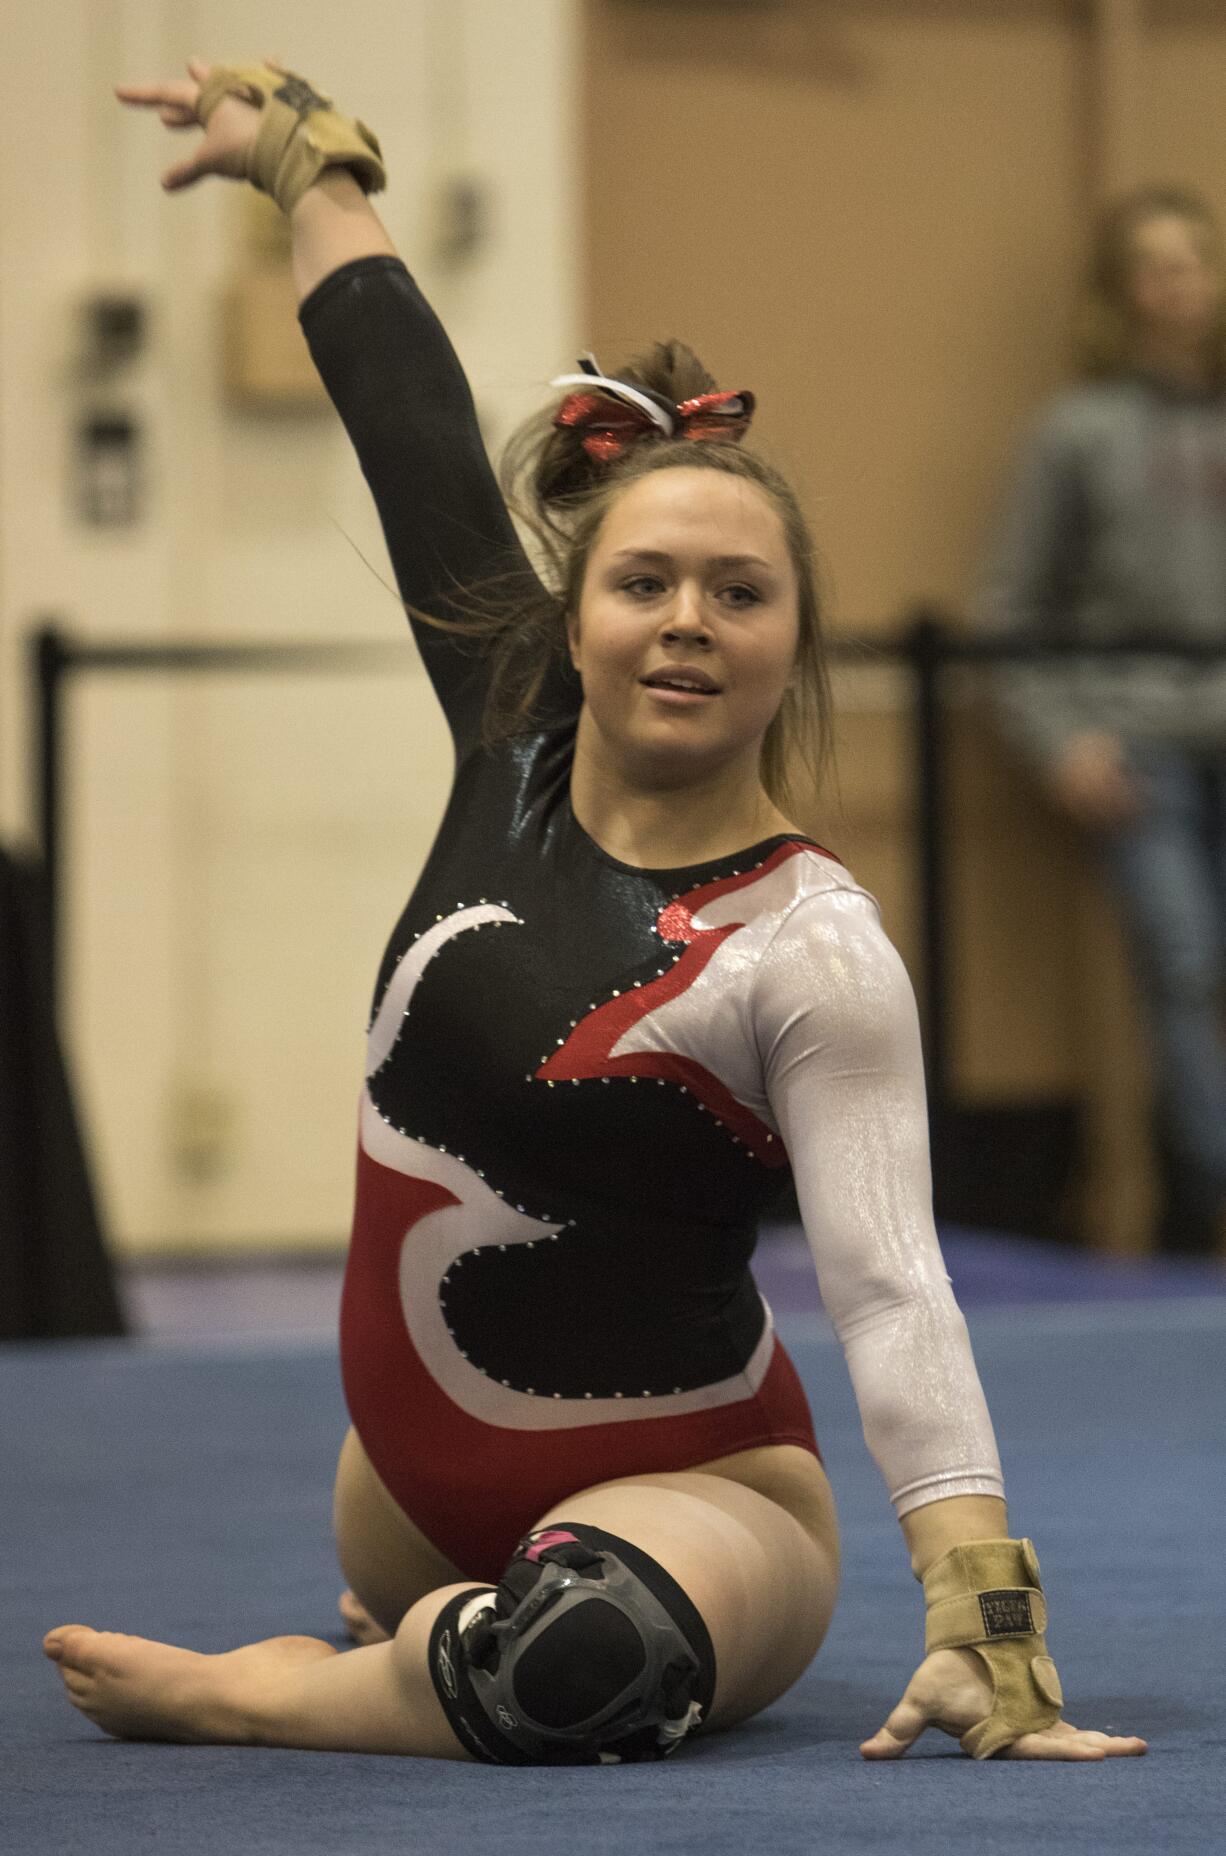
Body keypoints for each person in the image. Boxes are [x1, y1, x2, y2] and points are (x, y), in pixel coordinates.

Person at [43, 58, 1146, 1767]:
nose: (686, 621)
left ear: (793, 643)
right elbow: (408, 417)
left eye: (739, 591)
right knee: (517, 1634)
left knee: (582, 1666)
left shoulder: (810, 942)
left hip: (703, 1502)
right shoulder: (508, 746)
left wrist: (981, 1612)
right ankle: (414, 1643)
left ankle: (269, 1689)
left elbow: (892, 1285)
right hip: (407, 1500)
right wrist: (302, 162)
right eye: (643, 582)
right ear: (575, 622)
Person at [981, 184, 1226, 1254]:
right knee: (1186, 967)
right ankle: (1212, 1200)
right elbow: (1004, 612)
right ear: (1119, 293)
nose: (1176, 284)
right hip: (1139, 746)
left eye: (1194, 260)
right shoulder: (1076, 433)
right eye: (1152, 264)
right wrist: (1059, 737)